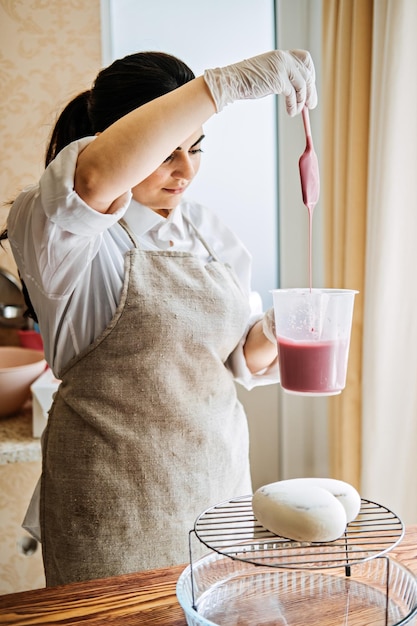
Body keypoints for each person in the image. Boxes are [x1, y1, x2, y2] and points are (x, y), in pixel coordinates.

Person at [1, 49, 317, 586]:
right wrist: (224, 85)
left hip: (217, 489)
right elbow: (98, 175)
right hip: (113, 507)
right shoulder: (57, 225)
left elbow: (236, 360)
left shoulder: (205, 230)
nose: (185, 170)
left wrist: (275, 329)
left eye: (195, 148)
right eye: (166, 151)